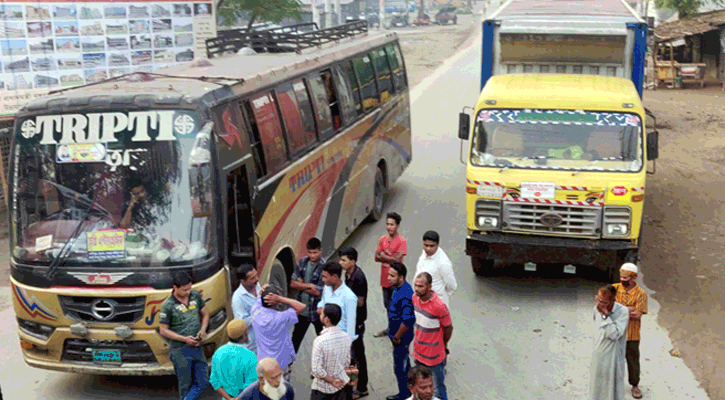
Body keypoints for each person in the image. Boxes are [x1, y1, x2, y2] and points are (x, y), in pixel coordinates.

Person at [159, 272, 210, 400]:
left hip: (197, 347)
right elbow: (163, 330)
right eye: (184, 290)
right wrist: (185, 339)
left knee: (203, 382)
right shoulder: (168, 305)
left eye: (190, 288)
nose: (188, 292)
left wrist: (203, 330)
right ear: (175, 288)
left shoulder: (195, 295)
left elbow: (205, 314)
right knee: (185, 386)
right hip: (180, 351)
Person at [411, 273, 452, 400]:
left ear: (429, 286)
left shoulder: (439, 306)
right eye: (416, 285)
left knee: (437, 388)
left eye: (421, 286)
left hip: (433, 355)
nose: (417, 289)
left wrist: (443, 344)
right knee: (420, 387)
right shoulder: (415, 298)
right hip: (418, 352)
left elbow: (448, 327)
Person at [251, 285, 306, 377]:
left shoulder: (255, 312)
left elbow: (259, 299)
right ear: (275, 302)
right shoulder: (281, 318)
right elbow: (301, 306)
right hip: (280, 364)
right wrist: (280, 298)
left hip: (264, 363)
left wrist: (263, 292)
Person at [613, 263, 648, 399]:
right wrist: (629, 309)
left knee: (633, 361)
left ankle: (634, 385)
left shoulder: (641, 294)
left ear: (633, 278)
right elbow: (606, 306)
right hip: (616, 333)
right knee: (614, 360)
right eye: (621, 277)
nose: (623, 280)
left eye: (626, 277)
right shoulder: (614, 288)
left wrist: (619, 309)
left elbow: (638, 314)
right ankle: (613, 384)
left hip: (632, 334)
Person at [339, 247, 369, 399]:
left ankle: (362, 387)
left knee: (358, 355)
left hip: (357, 321)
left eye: (344, 260)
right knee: (352, 355)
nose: (341, 263)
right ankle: (353, 384)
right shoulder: (348, 273)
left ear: (353, 261)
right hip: (350, 320)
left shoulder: (359, 278)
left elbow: (360, 302)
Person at [590, 284, 629, 400]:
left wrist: (606, 315)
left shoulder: (623, 312)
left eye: (604, 302)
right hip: (598, 356)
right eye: (598, 300)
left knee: (612, 390)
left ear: (613, 300)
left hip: (613, 359)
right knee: (596, 387)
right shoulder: (597, 308)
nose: (600, 304)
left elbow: (615, 334)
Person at [290, 237, 326, 353]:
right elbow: (292, 283)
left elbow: (318, 292)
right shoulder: (302, 262)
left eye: (315, 253)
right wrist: (309, 285)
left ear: (320, 251)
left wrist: (301, 284)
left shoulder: (324, 266)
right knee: (295, 340)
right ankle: (288, 365)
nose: (312, 256)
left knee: (323, 340)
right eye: (309, 252)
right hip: (303, 310)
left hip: (317, 311)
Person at [374, 212, 407, 338]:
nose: (389, 227)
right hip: (384, 279)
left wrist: (383, 256)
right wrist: (388, 257)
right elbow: (376, 257)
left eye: (392, 224)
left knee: (397, 306)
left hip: (396, 281)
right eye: (387, 224)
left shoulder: (401, 241)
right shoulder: (382, 239)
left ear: (397, 226)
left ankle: (399, 330)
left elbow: (397, 260)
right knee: (387, 305)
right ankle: (391, 328)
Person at [311, 304, 353, 400]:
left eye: (322, 313)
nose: (320, 315)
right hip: (341, 385)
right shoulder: (346, 337)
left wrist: (332, 380)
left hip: (323, 389)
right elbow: (347, 362)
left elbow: (316, 370)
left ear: (327, 319)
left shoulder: (320, 341)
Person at [386, 261, 415, 400]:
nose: (389, 278)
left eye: (392, 275)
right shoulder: (397, 288)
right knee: (405, 363)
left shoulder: (405, 293)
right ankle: (410, 389)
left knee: (400, 368)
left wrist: (397, 337)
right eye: (388, 275)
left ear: (401, 277)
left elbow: (408, 320)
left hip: (401, 338)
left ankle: (404, 395)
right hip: (398, 336)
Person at [210, 319, 258, 399]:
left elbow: (215, 381)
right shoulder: (250, 356)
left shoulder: (218, 353)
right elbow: (250, 388)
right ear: (244, 336)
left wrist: (230, 399)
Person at [317, 261, 358, 341]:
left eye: (325, 277)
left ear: (335, 276)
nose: (322, 279)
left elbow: (351, 328)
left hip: (340, 341)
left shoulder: (349, 297)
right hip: (326, 336)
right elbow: (321, 305)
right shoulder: (326, 288)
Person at [414, 231, 457, 307]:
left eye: (432, 246)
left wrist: (439, 296)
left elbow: (451, 285)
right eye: (426, 245)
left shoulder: (443, 262)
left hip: (436, 305)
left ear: (437, 245)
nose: (428, 248)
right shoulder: (424, 253)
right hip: (421, 301)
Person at [232, 264, 262, 353]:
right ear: (242, 281)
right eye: (252, 278)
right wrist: (261, 312)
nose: (257, 279)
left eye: (256, 276)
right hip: (252, 345)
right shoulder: (238, 298)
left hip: (264, 338)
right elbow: (242, 323)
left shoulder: (256, 285)